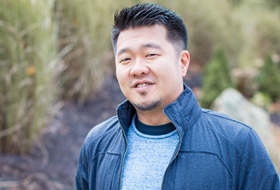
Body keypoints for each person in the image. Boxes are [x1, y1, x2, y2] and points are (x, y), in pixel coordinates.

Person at [76, 3, 280, 190]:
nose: (137, 69)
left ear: (182, 62)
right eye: (126, 59)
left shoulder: (237, 143)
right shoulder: (98, 143)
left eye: (150, 55)